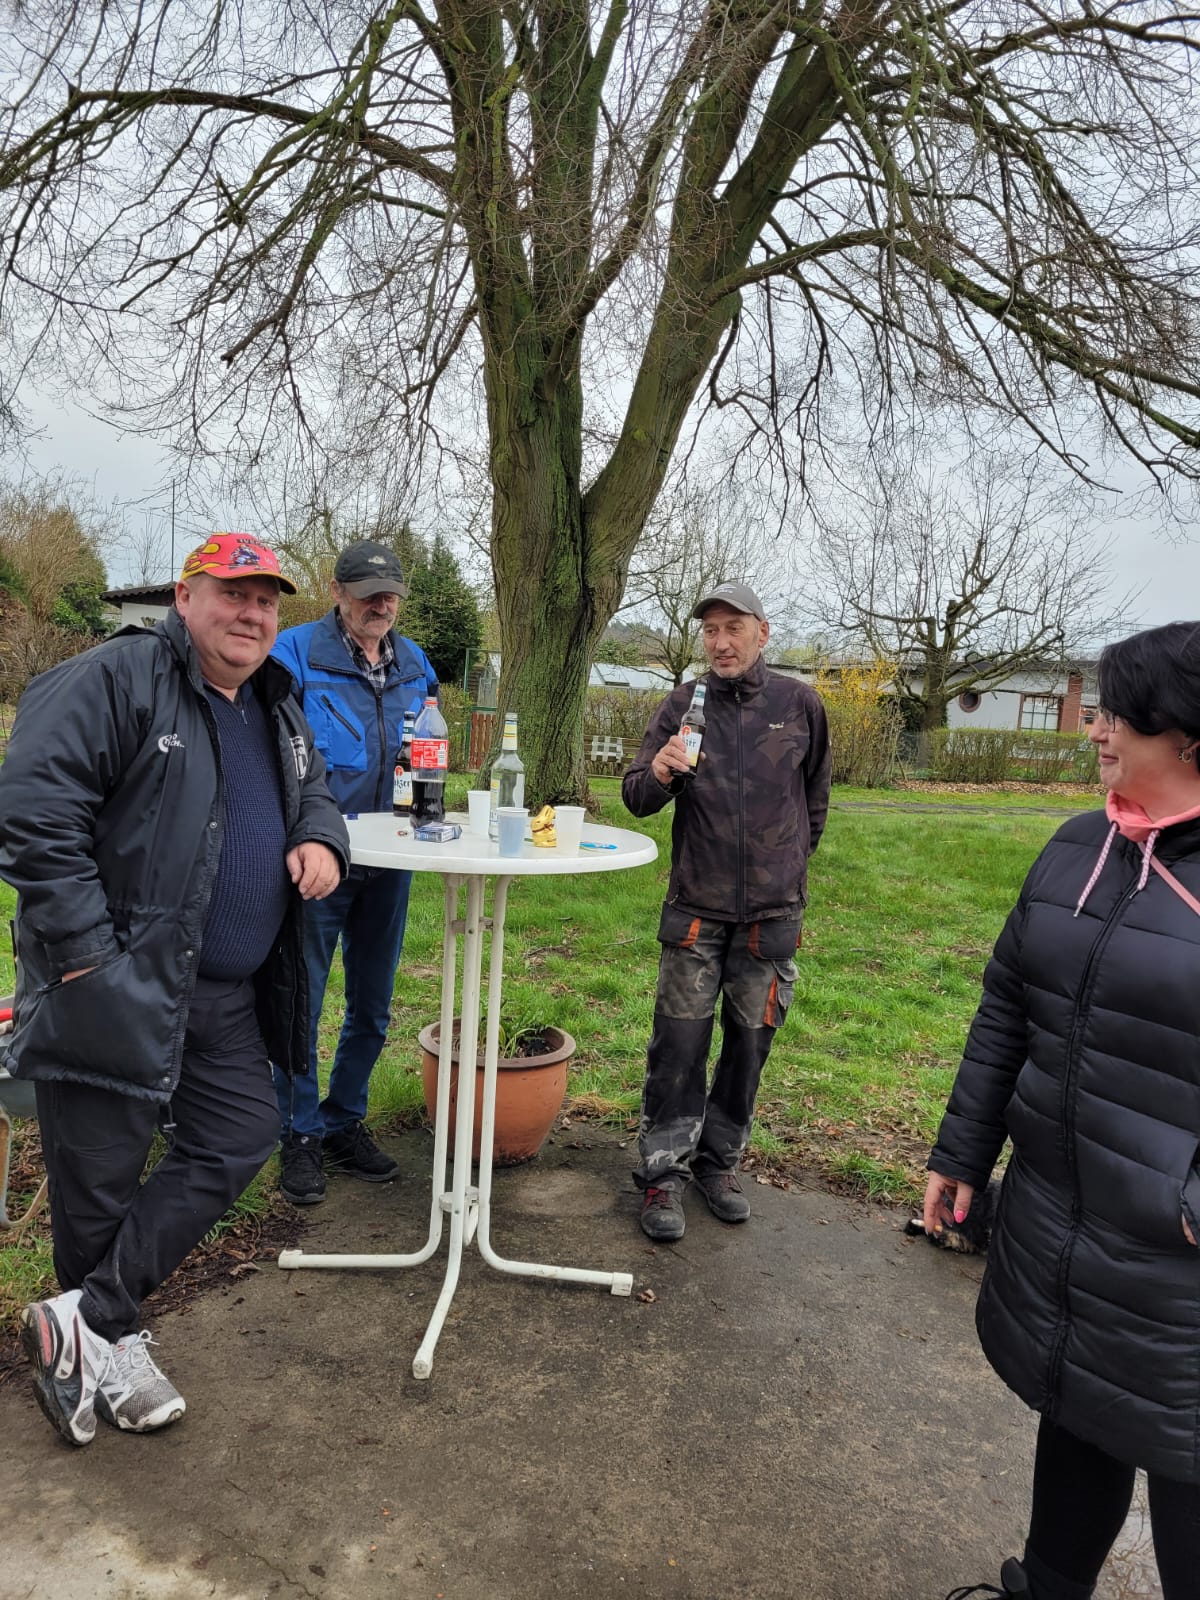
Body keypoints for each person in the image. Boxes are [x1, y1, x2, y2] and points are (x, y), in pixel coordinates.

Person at [0, 532, 348, 1447]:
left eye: (269, 601)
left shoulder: (274, 700)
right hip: (116, 983)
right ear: (186, 597)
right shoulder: (114, 680)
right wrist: (84, 955)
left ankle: (89, 1318)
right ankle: (104, 1350)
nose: (254, 614)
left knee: (242, 1132)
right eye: (234, 594)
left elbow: (313, 790)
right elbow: (34, 805)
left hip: (224, 993)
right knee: (99, 1185)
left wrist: (322, 839)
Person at [927, 622, 1200, 1600]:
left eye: (1120, 712)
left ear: (1188, 736)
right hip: (1063, 1225)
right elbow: (1008, 999)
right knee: (1079, 1411)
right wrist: (962, 1150)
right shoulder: (1079, 845)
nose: (1095, 726)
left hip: (1177, 1274)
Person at [622, 582, 831, 1241]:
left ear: (762, 633)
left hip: (770, 920)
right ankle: (663, 1174)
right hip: (696, 912)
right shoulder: (684, 705)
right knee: (679, 1047)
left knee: (748, 1047)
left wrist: (788, 869)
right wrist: (658, 774)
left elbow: (814, 802)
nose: (720, 641)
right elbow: (635, 796)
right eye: (710, 630)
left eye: (733, 627)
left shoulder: (799, 706)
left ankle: (719, 1165)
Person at [270, 540, 438, 1206]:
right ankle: (299, 1133)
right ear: (337, 590)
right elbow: (275, 753)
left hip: (391, 859)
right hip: (317, 858)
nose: (382, 602)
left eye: (391, 590)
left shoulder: (416, 662)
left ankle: (343, 1119)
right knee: (301, 1002)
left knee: (373, 1004)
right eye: (368, 589)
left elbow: (426, 749)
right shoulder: (295, 655)